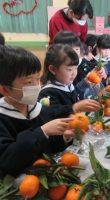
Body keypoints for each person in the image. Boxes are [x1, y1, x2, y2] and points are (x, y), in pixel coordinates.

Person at [0, 45, 99, 177]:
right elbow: (7, 159)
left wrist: (64, 137)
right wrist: (42, 132)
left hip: (44, 176)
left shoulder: (35, 109)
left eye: (37, 79)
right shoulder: (3, 118)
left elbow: (47, 146)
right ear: (5, 90)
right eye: (29, 82)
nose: (37, 86)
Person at [38, 44, 100, 108]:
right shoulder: (47, 93)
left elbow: (71, 95)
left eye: (76, 68)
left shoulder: (66, 84)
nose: (74, 73)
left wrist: (83, 84)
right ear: (53, 69)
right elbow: (52, 113)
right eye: (69, 69)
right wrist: (74, 108)